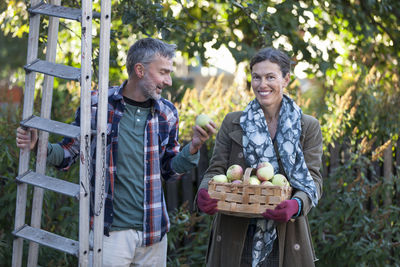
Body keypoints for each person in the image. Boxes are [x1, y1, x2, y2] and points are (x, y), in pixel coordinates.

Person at [16, 37, 216, 267]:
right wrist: (39, 144)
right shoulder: (97, 105)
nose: (168, 81)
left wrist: (194, 146)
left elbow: (169, 171)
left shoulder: (167, 113)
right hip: (109, 234)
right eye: (163, 72)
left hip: (154, 233)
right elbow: (68, 154)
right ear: (140, 70)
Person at [196, 47, 323, 267]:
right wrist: (204, 191)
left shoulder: (307, 126)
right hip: (236, 231)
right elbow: (215, 171)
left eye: (270, 77)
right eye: (256, 77)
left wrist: (297, 204)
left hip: (285, 234)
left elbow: (313, 180)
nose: (262, 84)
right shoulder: (233, 122)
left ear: (286, 79)